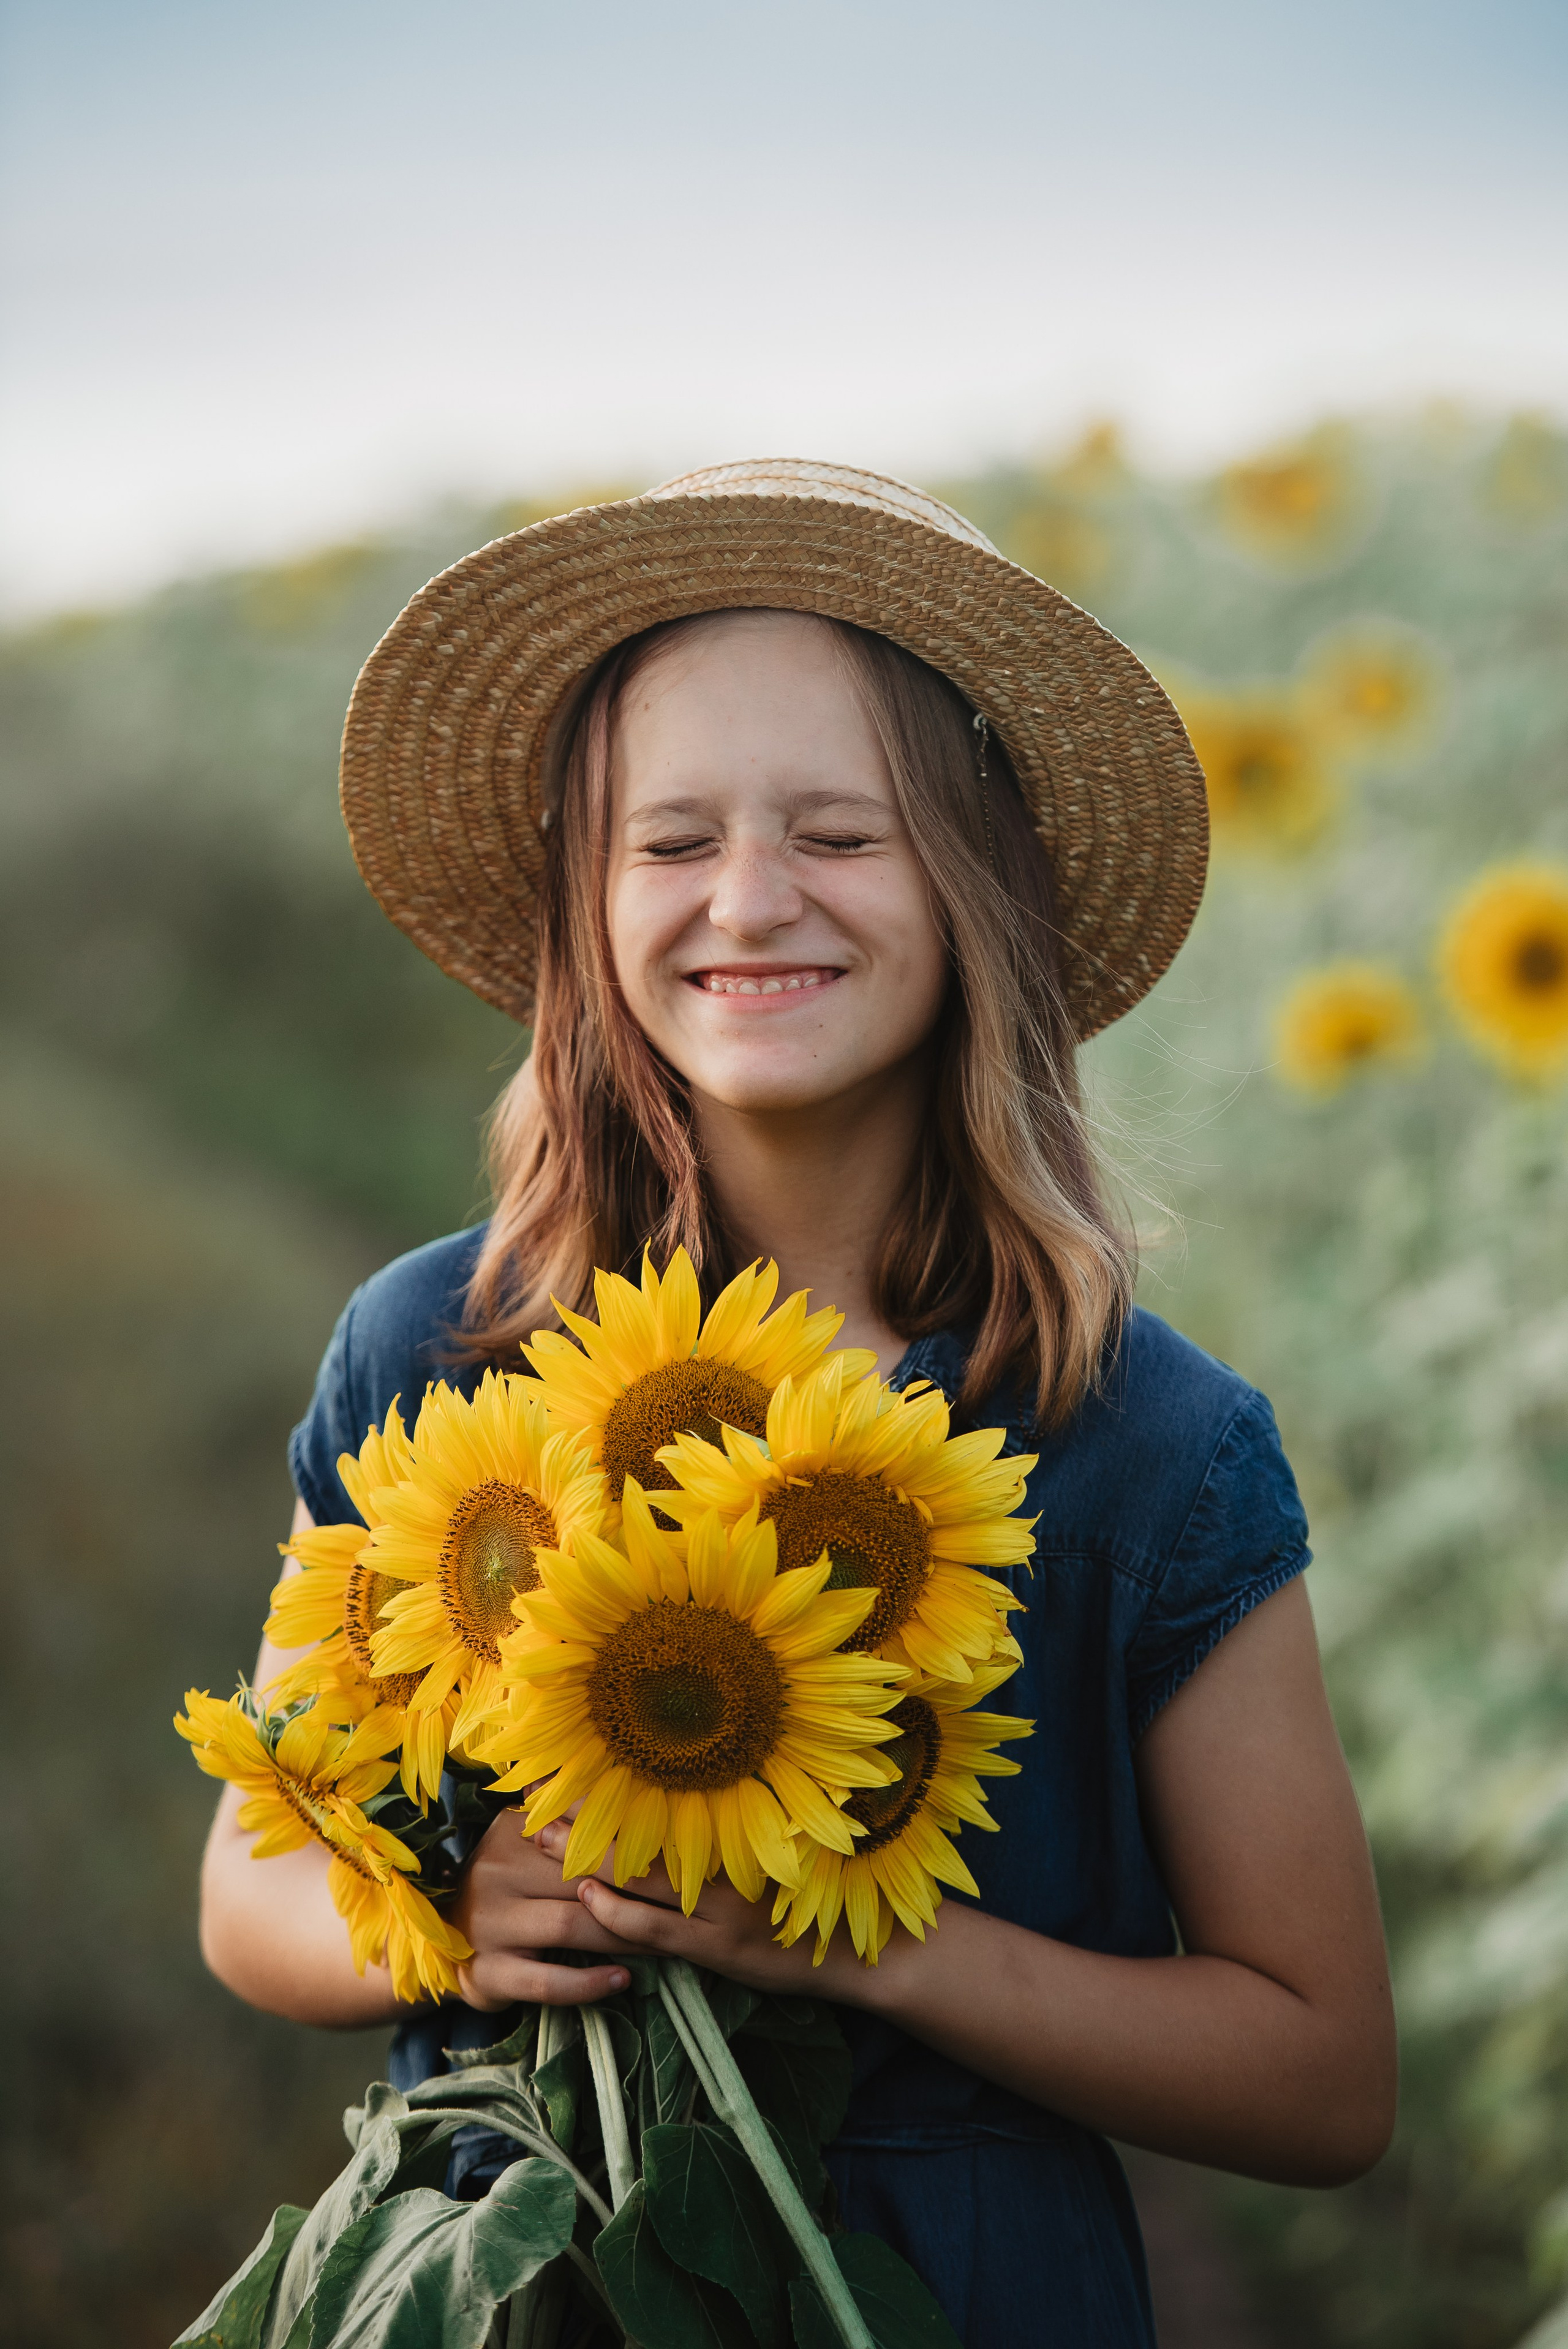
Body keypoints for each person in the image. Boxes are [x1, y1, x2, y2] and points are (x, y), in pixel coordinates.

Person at [200, 461, 1396, 2345]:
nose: (751, 901)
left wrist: (884, 1943)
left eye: (842, 833)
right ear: (588, 905)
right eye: (671, 841)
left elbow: (1323, 2074)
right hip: (520, 2268)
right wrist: (435, 1914)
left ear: (976, 888)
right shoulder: (439, 1348)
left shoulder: (1142, 1439)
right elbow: (252, 1875)